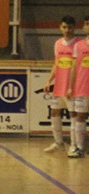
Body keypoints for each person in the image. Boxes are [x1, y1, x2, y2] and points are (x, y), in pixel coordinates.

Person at [43, 15, 78, 154]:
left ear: (74, 28)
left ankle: (74, 145)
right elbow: (57, 64)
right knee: (54, 112)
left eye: (70, 27)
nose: (67, 30)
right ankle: (58, 142)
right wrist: (49, 80)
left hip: (73, 87)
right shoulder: (58, 43)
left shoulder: (79, 44)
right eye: (64, 27)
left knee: (73, 115)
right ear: (60, 28)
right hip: (59, 85)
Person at [67, 15, 89, 158]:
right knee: (78, 117)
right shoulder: (78, 45)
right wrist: (70, 86)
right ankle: (78, 147)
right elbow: (74, 67)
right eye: (87, 23)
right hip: (81, 87)